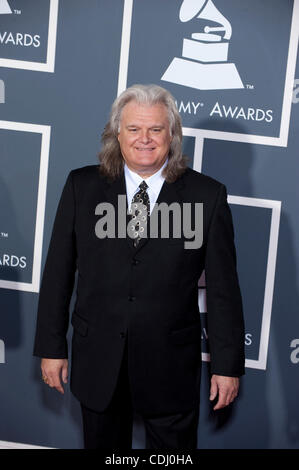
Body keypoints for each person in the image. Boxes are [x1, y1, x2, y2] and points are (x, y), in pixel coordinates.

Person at [33, 84, 245, 449]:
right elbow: (58, 274)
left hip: (170, 367)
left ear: (172, 135)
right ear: (117, 133)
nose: (144, 139)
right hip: (98, 360)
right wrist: (52, 347)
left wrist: (226, 366)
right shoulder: (81, 186)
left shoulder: (207, 196)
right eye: (134, 129)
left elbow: (224, 291)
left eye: (156, 129)